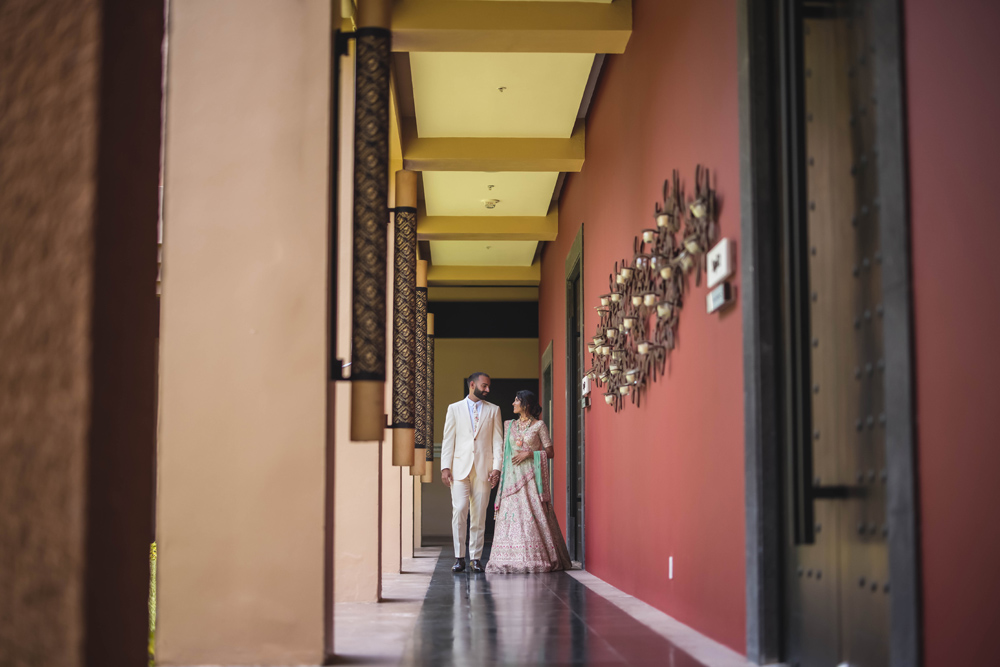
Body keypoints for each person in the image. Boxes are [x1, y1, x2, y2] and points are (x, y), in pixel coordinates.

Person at [486, 390, 572, 574]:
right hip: (511, 480)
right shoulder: (509, 425)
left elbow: (550, 452)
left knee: (532, 515)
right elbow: (503, 454)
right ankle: (506, 559)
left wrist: (530, 454)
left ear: (525, 404)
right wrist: (496, 473)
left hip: (531, 479)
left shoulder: (539, 425)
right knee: (511, 518)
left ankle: (535, 558)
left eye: (516, 400)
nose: (513, 403)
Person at [440, 372, 503, 573]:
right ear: (472, 385)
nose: (488, 390)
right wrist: (445, 467)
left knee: (479, 514)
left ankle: (476, 558)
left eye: (489, 386)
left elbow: (498, 442)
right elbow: (448, 439)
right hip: (459, 468)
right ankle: (459, 557)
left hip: (484, 469)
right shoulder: (454, 409)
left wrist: (497, 468)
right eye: (484, 386)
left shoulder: (494, 410)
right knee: (459, 509)